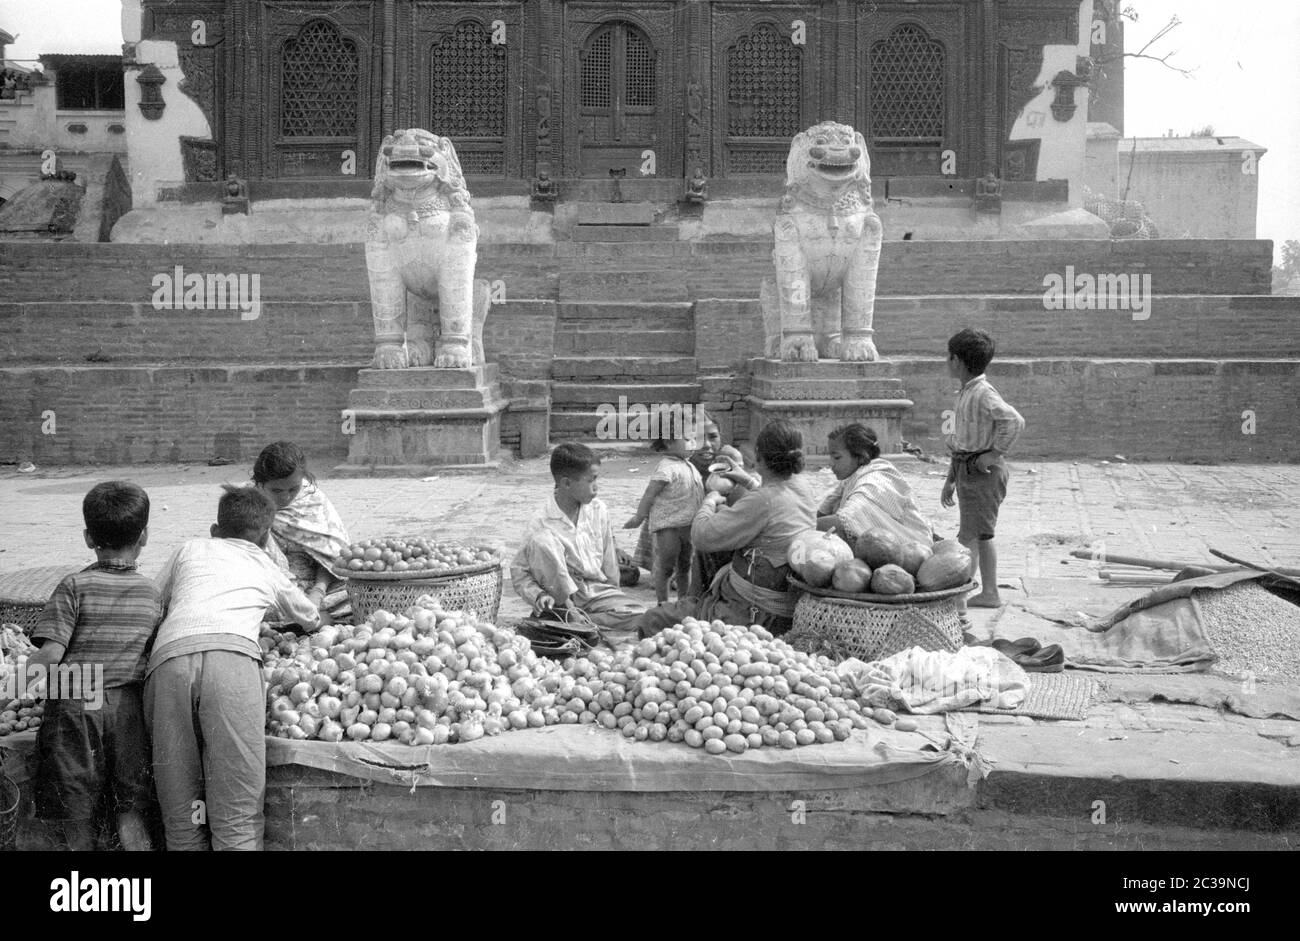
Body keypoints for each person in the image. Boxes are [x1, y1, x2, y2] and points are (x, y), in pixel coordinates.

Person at [145, 485, 325, 851]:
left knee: (182, 807)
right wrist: (319, 589)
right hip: (231, 666)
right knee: (236, 810)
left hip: (169, 664)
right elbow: (309, 617)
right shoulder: (265, 564)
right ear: (265, 537)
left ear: (215, 529)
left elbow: (153, 601)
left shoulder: (190, 548)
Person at [28, 481, 164, 851]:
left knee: (77, 809)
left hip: (75, 704)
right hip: (128, 710)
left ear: (89, 537)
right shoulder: (152, 593)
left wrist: (22, 683)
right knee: (130, 807)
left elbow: (49, 657)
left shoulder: (74, 585)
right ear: (145, 536)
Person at [640, 421, 818, 637]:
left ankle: (700, 609)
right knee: (720, 532)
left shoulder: (761, 501)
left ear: (759, 458)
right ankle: (696, 602)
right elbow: (773, 499)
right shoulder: (802, 486)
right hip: (782, 598)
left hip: (753, 614)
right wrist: (746, 479)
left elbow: (701, 536)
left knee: (652, 619)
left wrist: (709, 500)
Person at [512, 443, 647, 635]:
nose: (596, 488)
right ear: (566, 483)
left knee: (642, 615)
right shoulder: (540, 521)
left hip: (596, 591)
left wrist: (615, 597)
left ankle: (574, 621)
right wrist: (539, 595)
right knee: (542, 541)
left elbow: (609, 562)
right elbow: (519, 572)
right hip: (562, 596)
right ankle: (567, 613)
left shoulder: (598, 509)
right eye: (591, 481)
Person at [941, 328, 1025, 608]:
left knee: (970, 537)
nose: (947, 362)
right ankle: (985, 591)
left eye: (949, 357)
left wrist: (993, 454)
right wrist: (951, 479)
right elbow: (959, 443)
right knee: (980, 535)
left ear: (958, 361)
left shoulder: (982, 393)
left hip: (983, 474)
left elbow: (1014, 421)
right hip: (968, 470)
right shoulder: (965, 392)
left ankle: (965, 595)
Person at [252, 441, 351, 621]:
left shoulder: (312, 499)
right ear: (260, 484)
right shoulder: (248, 505)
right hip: (272, 588)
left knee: (357, 592)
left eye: (293, 489)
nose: (286, 497)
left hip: (319, 585)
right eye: (276, 490)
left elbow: (332, 555)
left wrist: (317, 593)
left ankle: (305, 615)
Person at [624, 416, 705, 605]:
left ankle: (684, 601)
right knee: (666, 565)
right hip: (669, 524)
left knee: (686, 564)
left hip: (688, 524)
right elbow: (650, 494)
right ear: (669, 443)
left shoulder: (690, 466)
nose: (693, 443)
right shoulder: (667, 467)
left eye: (694, 438)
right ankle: (662, 603)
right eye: (687, 439)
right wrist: (639, 516)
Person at [817, 423, 932, 545]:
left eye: (837, 457)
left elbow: (847, 520)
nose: (831, 463)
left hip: (913, 546)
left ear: (861, 457)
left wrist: (802, 528)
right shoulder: (853, 476)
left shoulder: (873, 481)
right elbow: (826, 507)